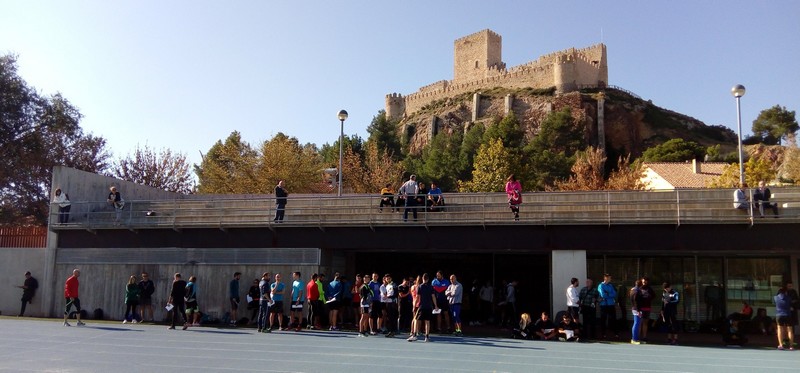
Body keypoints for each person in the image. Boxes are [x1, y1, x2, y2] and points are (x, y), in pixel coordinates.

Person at [408, 273, 438, 342]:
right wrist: (435, 305)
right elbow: (433, 297)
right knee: (427, 321)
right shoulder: (431, 287)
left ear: (423, 279)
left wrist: (414, 306)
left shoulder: (420, 287)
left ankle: (414, 335)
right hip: (429, 306)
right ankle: (427, 337)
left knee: (416, 319)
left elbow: (417, 297)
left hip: (422, 306)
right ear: (428, 279)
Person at [597, 273, 618, 339]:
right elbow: (603, 295)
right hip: (604, 305)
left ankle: (615, 333)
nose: (610, 279)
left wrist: (608, 294)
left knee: (613, 319)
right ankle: (603, 334)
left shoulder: (610, 285)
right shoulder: (601, 285)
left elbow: (614, 294)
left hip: (611, 304)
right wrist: (609, 294)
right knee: (603, 319)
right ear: (605, 278)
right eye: (609, 278)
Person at [638, 277, 656, 342]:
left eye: (645, 282)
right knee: (640, 322)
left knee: (645, 322)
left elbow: (654, 296)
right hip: (641, 308)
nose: (644, 283)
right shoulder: (639, 289)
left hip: (647, 307)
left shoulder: (649, 289)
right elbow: (636, 298)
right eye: (643, 282)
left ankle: (644, 337)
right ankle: (638, 336)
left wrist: (649, 299)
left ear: (647, 282)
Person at [630, 279, 644, 345]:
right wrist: (638, 310)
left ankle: (635, 338)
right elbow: (636, 301)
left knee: (636, 323)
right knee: (637, 323)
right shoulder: (637, 291)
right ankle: (634, 339)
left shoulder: (632, 290)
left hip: (634, 308)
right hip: (637, 309)